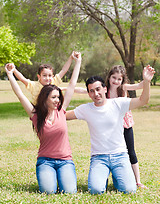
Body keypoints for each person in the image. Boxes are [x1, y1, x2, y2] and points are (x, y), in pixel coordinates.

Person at [66, 65, 155, 194]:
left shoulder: (119, 103)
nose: (96, 94)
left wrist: (146, 81)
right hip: (99, 158)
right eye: (92, 91)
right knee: (96, 190)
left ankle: (118, 174)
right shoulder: (86, 109)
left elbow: (144, 100)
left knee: (129, 190)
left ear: (104, 89)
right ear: (89, 93)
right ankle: (104, 174)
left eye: (98, 89)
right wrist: (41, 112)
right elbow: (62, 116)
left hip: (120, 156)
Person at [5, 51, 82, 194]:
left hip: (65, 161)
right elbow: (20, 95)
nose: (57, 100)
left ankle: (62, 176)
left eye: (58, 97)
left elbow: (71, 84)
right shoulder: (36, 115)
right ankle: (50, 176)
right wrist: (10, 74)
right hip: (45, 161)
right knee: (48, 192)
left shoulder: (61, 111)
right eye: (53, 97)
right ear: (45, 98)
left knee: (69, 192)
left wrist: (77, 62)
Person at [105, 65, 147, 189]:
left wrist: (146, 78)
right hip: (111, 126)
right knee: (109, 152)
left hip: (125, 124)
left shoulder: (123, 88)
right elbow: (86, 90)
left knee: (131, 151)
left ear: (123, 80)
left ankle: (137, 181)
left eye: (119, 79)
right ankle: (105, 178)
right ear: (109, 77)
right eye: (114, 78)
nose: (116, 81)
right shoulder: (104, 89)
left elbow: (139, 86)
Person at [8, 52, 76, 105]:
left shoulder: (53, 82)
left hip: (51, 111)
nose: (47, 78)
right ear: (39, 77)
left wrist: (71, 58)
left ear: (52, 76)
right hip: (38, 112)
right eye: (44, 75)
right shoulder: (34, 85)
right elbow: (22, 79)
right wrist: (14, 70)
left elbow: (63, 70)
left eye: (49, 75)